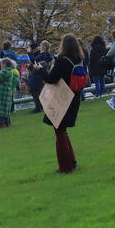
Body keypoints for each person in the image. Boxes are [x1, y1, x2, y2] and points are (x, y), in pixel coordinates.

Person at [42, 33, 83, 174]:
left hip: (62, 98)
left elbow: (51, 78)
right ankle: (72, 162)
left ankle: (65, 167)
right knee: (63, 131)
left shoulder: (62, 60)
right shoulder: (79, 59)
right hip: (74, 97)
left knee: (59, 132)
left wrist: (40, 70)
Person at [0, 58, 19, 127]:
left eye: (1, 64)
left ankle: (2, 124)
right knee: (5, 109)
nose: (0, 65)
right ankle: (7, 123)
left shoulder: (4, 71)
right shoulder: (10, 71)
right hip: (7, 91)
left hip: (1, 92)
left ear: (4, 64)